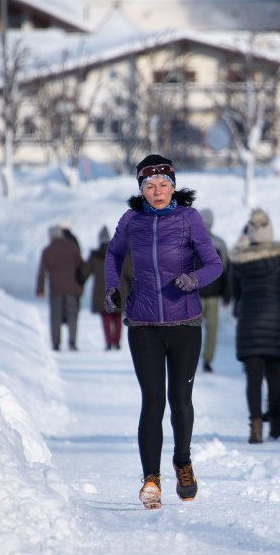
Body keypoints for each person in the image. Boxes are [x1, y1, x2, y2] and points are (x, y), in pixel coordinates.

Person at [103, 154, 222, 510]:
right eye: (150, 186)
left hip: (184, 322)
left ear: (174, 186)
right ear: (141, 189)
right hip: (143, 324)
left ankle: (182, 463)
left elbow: (215, 263)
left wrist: (194, 278)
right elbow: (113, 255)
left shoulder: (189, 219)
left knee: (180, 402)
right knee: (152, 401)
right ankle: (151, 479)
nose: (157, 192)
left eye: (164, 185)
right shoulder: (131, 220)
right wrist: (111, 287)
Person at [229, 207, 280, 444]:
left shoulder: (239, 262)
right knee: (275, 377)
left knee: (253, 380)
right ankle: (275, 424)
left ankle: (256, 426)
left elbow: (236, 298)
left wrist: (241, 310)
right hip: (276, 323)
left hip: (249, 324)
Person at [82, 226, 133, 350]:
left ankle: (109, 342)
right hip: (119, 290)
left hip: (102, 292)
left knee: (106, 317)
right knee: (117, 317)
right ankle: (117, 342)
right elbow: (129, 272)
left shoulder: (94, 256)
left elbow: (85, 272)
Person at [36, 224, 84, 351]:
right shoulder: (72, 247)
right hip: (72, 287)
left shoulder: (47, 251)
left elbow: (42, 272)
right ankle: (72, 343)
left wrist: (40, 289)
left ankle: (56, 343)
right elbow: (81, 266)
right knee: (72, 315)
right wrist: (81, 282)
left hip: (55, 288)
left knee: (55, 316)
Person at [197, 208, 230, 373]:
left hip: (194, 294)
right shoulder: (220, 243)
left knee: (192, 329)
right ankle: (207, 361)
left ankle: (190, 358)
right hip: (214, 295)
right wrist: (227, 295)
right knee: (212, 331)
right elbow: (226, 270)